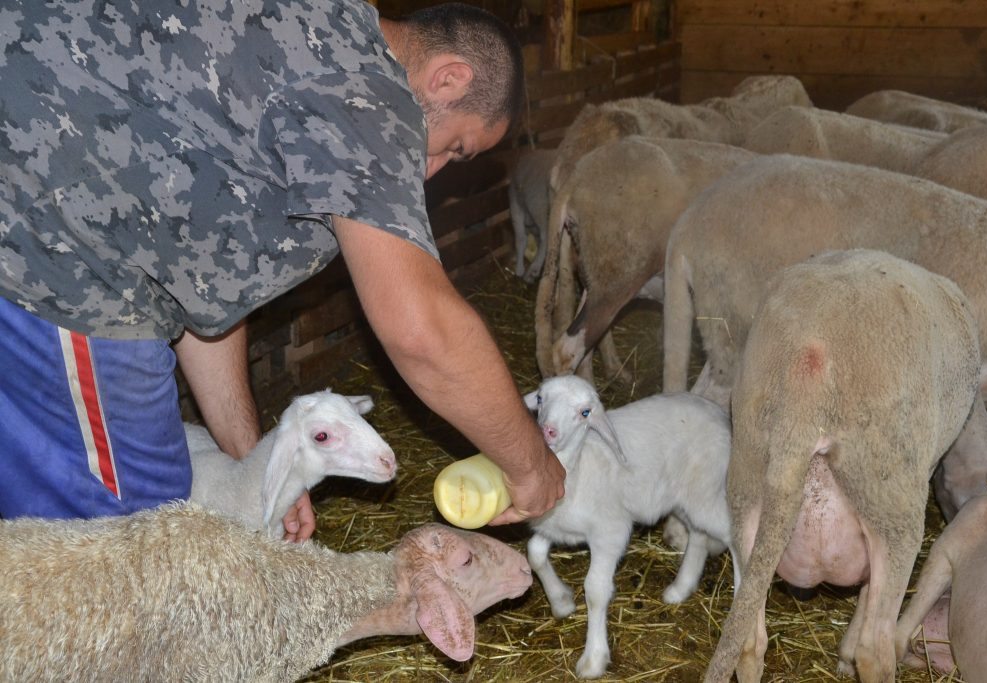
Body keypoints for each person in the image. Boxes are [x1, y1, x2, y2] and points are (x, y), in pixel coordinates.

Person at [0, 0, 565, 540]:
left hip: (46, 242)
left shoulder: (310, 42)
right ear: (448, 79)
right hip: (53, 255)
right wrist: (530, 464)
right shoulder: (367, 90)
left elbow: (199, 291)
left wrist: (261, 463)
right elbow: (423, 332)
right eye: (456, 147)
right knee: (131, 539)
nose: (431, 172)